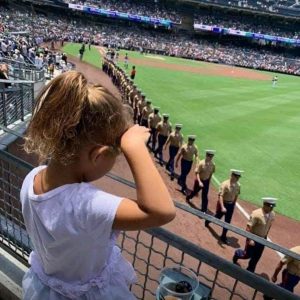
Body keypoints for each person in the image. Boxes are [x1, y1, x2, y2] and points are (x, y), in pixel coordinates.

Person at [21, 71, 175, 300]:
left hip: (45, 286)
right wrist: (134, 147)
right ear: (98, 155)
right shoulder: (85, 204)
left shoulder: (32, 178)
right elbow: (162, 211)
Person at [233, 198, 276, 272]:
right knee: (246, 255)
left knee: (256, 257)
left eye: (273, 207)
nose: (272, 208)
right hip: (253, 238)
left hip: (262, 239)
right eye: (270, 206)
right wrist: (250, 239)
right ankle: (237, 254)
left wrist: (265, 236)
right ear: (265, 205)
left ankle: (250, 270)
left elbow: (269, 225)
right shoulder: (256, 214)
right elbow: (248, 227)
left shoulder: (272, 214)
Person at [205, 169, 242, 244]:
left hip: (230, 205)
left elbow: (236, 195)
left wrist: (233, 204)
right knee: (217, 217)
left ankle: (223, 236)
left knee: (227, 222)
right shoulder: (225, 184)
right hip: (223, 204)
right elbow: (220, 196)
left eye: (238, 177)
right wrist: (222, 207)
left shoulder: (238, 185)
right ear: (232, 176)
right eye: (236, 176)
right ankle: (208, 220)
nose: (237, 178)